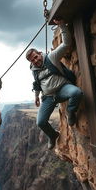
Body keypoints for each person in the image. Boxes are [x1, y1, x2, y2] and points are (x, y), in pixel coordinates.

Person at [26, 19, 83, 150]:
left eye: (36, 57)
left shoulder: (51, 57)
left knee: (76, 93)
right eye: (32, 60)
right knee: (40, 122)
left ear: (39, 53)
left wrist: (62, 25)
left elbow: (66, 44)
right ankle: (53, 135)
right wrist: (36, 97)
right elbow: (36, 84)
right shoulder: (34, 70)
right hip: (48, 97)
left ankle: (71, 112)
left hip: (63, 88)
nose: (35, 60)